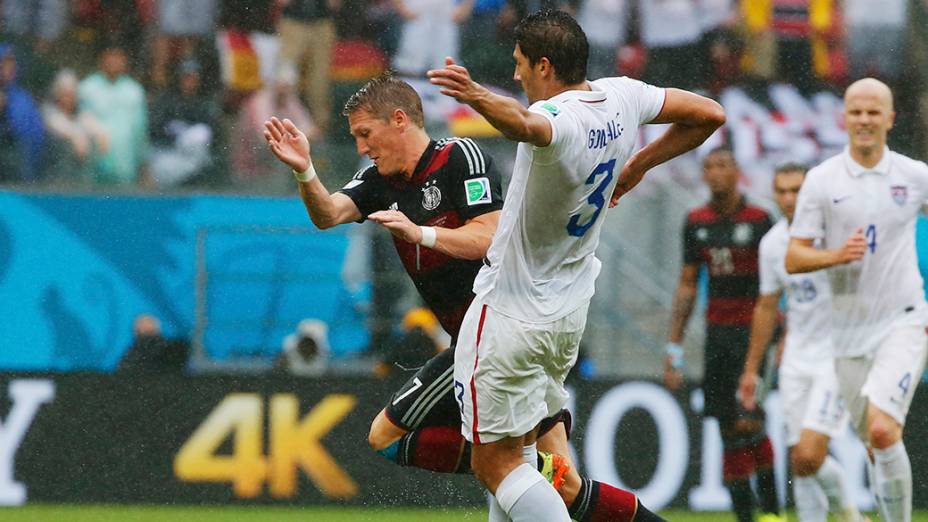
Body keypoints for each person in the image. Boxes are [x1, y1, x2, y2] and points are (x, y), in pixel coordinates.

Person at [264, 72, 660, 521]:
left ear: (399, 120)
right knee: (557, 484)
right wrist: (305, 171)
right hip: (491, 336)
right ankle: (526, 461)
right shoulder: (378, 181)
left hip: (498, 326)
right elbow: (328, 213)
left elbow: (489, 236)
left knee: (395, 438)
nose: (361, 147)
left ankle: (519, 460)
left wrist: (423, 234)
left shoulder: (459, 157)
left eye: (365, 134)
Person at [428, 9, 724, 522]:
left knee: (494, 465)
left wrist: (476, 94)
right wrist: (639, 163)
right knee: (521, 454)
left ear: (544, 65)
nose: (516, 75)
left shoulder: (560, 120)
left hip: (510, 310)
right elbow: (710, 114)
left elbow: (524, 123)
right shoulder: (622, 96)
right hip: (566, 314)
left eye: (520, 64)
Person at [786, 77, 928, 522]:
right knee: (874, 442)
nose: (864, 120)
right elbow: (794, 256)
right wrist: (833, 255)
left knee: (884, 430)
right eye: (856, 112)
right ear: (843, 118)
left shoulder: (914, 176)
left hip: (903, 320)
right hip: (846, 335)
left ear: (889, 118)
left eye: (873, 112)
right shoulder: (822, 181)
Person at [738, 164, 863, 522]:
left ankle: (852, 517)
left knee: (809, 455)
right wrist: (751, 370)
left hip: (838, 355)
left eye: (797, 190)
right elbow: (766, 305)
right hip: (795, 359)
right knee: (800, 461)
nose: (789, 198)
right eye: (782, 191)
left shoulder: (837, 232)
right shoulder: (773, 244)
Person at [663, 147, 779, 522]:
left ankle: (774, 511)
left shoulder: (760, 220)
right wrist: (674, 348)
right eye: (708, 167)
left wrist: (783, 329)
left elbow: (776, 284)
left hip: (754, 336)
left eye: (722, 166)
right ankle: (746, 516)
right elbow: (686, 285)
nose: (714, 174)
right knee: (728, 429)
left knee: (749, 420)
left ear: (737, 172)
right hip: (718, 338)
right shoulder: (696, 222)